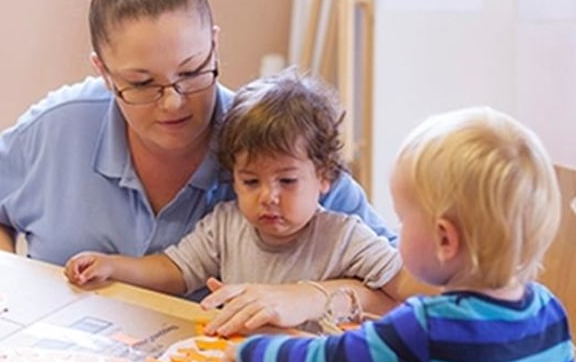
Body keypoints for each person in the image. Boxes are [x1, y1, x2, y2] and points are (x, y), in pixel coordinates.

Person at [0, 0, 396, 285]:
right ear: (104, 72)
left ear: (214, 44)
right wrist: (8, 287)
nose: (173, 103)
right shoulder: (60, 128)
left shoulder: (277, 144)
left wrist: (310, 297)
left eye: (193, 71)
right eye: (141, 83)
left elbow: (411, 285)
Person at [221, 107, 576, 362]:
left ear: (444, 240)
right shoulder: (547, 312)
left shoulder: (423, 328)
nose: (397, 230)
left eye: (404, 219)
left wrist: (250, 353)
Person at [65, 70, 410, 336]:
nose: (268, 197)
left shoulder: (346, 235)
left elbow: (408, 286)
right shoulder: (227, 224)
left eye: (287, 181)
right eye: (250, 181)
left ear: (325, 177)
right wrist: (113, 266)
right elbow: (175, 269)